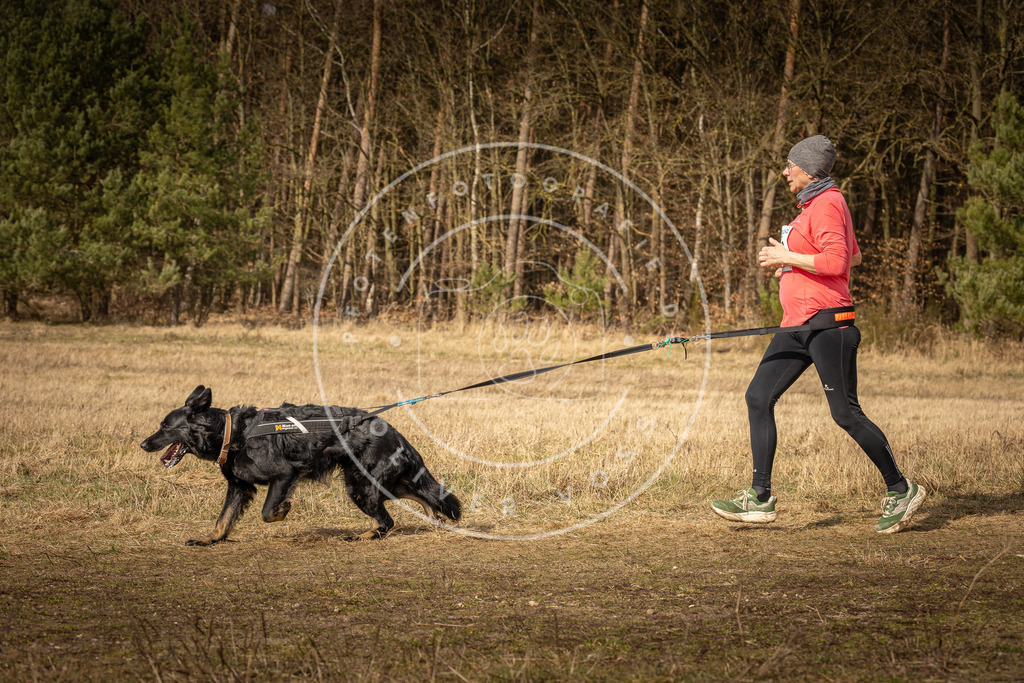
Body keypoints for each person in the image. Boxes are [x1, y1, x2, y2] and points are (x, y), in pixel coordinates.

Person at [711, 134, 926, 533]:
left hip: (828, 325)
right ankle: (759, 498)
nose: (784, 171)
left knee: (845, 414)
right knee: (758, 397)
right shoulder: (814, 204)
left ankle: (901, 488)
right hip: (797, 324)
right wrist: (793, 268)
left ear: (807, 168)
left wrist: (787, 256)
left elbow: (838, 259)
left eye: (789, 165)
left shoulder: (828, 202)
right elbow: (852, 256)